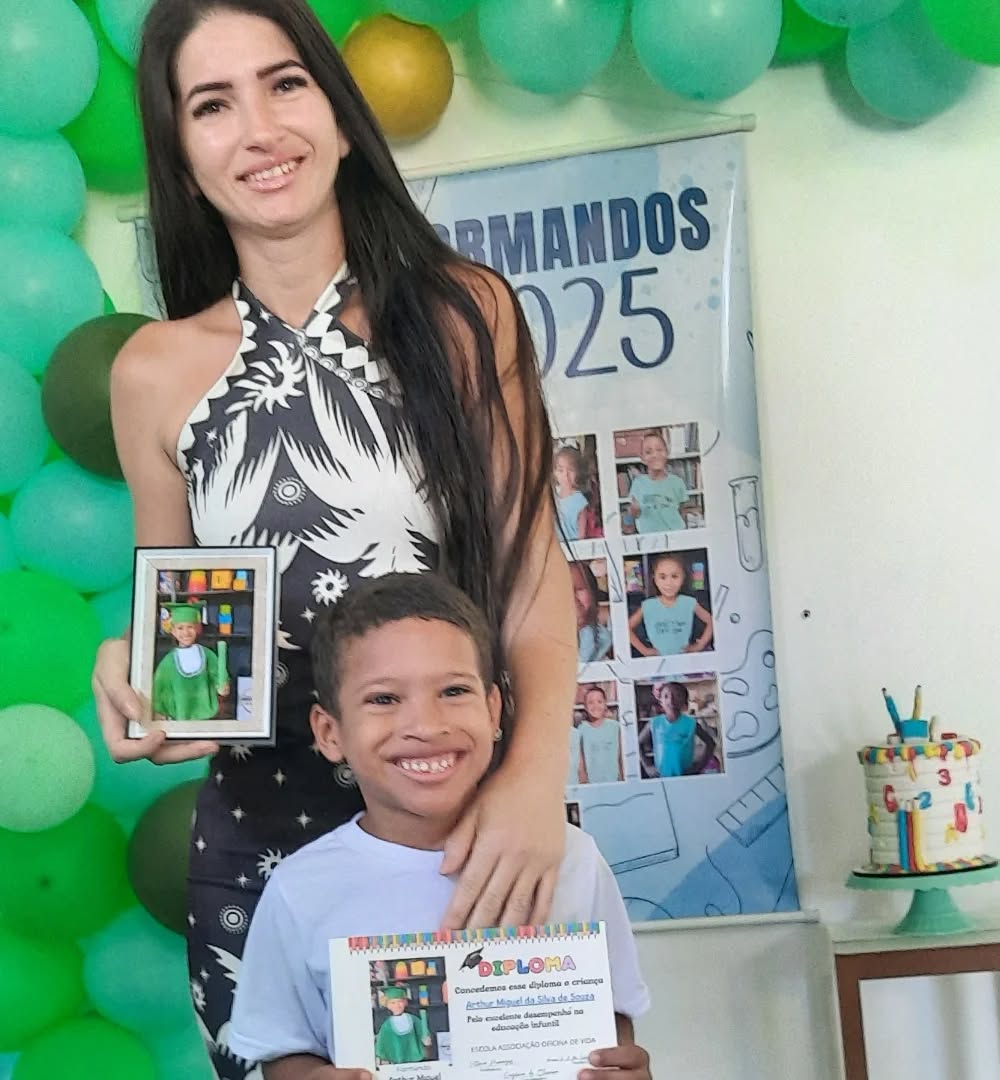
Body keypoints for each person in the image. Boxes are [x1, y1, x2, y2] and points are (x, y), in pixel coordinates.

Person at [90, 2, 576, 1076]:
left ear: (343, 116)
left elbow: (533, 576)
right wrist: (135, 676)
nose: (259, 130)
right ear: (181, 157)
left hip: (462, 821)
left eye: (285, 84)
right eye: (212, 105)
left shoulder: (465, 314)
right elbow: (176, 628)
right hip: (256, 847)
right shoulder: (152, 373)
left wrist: (535, 782)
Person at [227, 573, 652, 1080]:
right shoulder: (300, 888)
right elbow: (282, 1051)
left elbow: (612, 1022)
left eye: (453, 690)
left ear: (493, 710)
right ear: (330, 732)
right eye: (384, 699)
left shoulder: (572, 858)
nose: (427, 726)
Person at [152, 601, 230, 721]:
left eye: (190, 627)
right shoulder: (168, 662)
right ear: (173, 631)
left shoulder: (206, 654)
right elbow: (160, 688)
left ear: (197, 629)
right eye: (180, 628)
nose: (186, 633)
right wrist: (159, 710)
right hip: (180, 715)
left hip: (206, 715)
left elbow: (218, 673)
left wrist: (222, 685)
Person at [627, 553, 713, 657]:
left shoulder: (689, 602)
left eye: (674, 576)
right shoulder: (648, 605)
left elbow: (711, 621)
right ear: (655, 579)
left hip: (684, 659)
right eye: (663, 577)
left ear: (683, 577)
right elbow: (627, 628)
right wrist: (644, 650)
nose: (669, 583)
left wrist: (699, 645)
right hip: (658, 661)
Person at [639, 681, 717, 778]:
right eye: (666, 696)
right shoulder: (654, 723)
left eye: (677, 695)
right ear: (660, 701)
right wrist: (647, 766)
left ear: (684, 700)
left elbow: (710, 743)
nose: (671, 700)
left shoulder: (690, 723)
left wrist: (699, 766)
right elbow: (638, 743)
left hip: (685, 776)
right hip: (662, 776)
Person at [628, 430, 688, 534]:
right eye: (648, 452)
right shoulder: (638, 483)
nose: (655, 455)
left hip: (675, 535)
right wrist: (633, 511)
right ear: (642, 458)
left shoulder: (677, 482)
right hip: (648, 538)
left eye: (659, 450)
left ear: (667, 453)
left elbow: (682, 511)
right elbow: (635, 514)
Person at [373, 987, 429, 1065]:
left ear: (405, 1002)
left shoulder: (413, 1019)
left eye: (400, 1001)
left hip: (415, 1059)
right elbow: (382, 1043)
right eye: (392, 1003)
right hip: (397, 1061)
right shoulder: (387, 1024)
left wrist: (426, 1038)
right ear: (387, 1005)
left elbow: (422, 1031)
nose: (397, 1005)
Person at [579, 685, 622, 784]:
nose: (595, 706)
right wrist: (584, 783)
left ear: (605, 704)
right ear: (585, 707)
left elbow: (621, 758)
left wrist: (623, 780)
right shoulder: (581, 729)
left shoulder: (615, 727)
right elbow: (581, 761)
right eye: (590, 702)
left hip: (614, 782)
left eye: (599, 702)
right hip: (592, 784)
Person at [571, 561, 612, 664]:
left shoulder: (601, 639)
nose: (572, 598)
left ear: (592, 592)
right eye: (562, 591)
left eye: (580, 589)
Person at [553, 445, 589, 541]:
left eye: (571, 470)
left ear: (578, 472)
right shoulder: (553, 498)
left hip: (574, 547)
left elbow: (581, 535)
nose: (566, 475)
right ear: (555, 473)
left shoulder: (580, 500)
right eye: (561, 470)